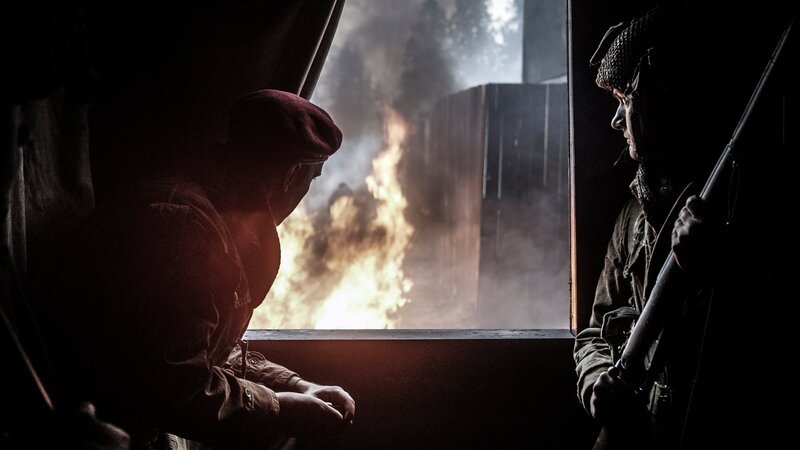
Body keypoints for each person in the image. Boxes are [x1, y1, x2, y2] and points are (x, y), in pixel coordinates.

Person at [46, 89, 355, 449]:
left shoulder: (212, 215)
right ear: (290, 175)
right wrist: (279, 408)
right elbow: (175, 384)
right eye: (311, 178)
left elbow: (208, 348)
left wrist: (295, 385)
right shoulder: (185, 230)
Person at [573, 5, 722, 447]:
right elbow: (595, 333)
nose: (617, 121)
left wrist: (708, 271)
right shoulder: (632, 218)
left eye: (625, 100)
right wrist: (599, 382)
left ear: (661, 99)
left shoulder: (724, 206)